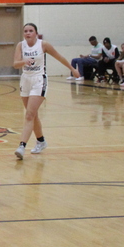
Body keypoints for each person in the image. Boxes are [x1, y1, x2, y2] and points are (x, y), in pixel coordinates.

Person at [12, 23, 79, 159]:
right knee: (33, 114)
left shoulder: (43, 45)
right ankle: (41, 141)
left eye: (31, 31)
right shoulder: (21, 45)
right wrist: (24, 61)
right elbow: (15, 64)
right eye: (25, 31)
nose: (28, 33)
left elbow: (59, 57)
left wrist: (72, 69)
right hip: (25, 80)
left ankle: (22, 146)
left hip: (39, 80)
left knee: (30, 115)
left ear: (36, 33)